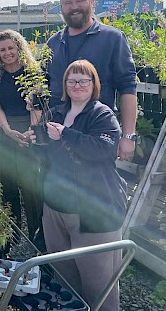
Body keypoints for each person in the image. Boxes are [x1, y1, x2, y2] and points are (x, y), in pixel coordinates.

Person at [35, 59, 127, 311]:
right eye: (71, 80)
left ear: (93, 84)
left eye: (83, 80)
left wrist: (65, 133)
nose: (77, 85)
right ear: (64, 85)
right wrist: (33, 137)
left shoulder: (102, 114)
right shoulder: (57, 112)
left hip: (91, 211)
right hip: (56, 207)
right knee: (64, 277)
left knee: (99, 283)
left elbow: (102, 149)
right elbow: (47, 153)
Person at [46, 0, 138, 161]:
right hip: (57, 139)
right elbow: (43, 86)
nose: (74, 7)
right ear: (61, 7)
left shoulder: (112, 38)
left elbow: (128, 87)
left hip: (95, 137)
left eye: (80, 0)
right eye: (67, 3)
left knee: (96, 188)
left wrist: (128, 136)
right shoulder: (53, 44)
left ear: (91, 1)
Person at [0, 30, 42, 244]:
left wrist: (32, 130)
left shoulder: (32, 72)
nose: (7, 53)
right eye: (2, 50)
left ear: (19, 48)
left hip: (29, 130)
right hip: (4, 130)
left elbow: (36, 106)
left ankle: (36, 235)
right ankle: (10, 235)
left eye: (11, 48)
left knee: (30, 184)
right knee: (7, 183)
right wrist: (7, 130)